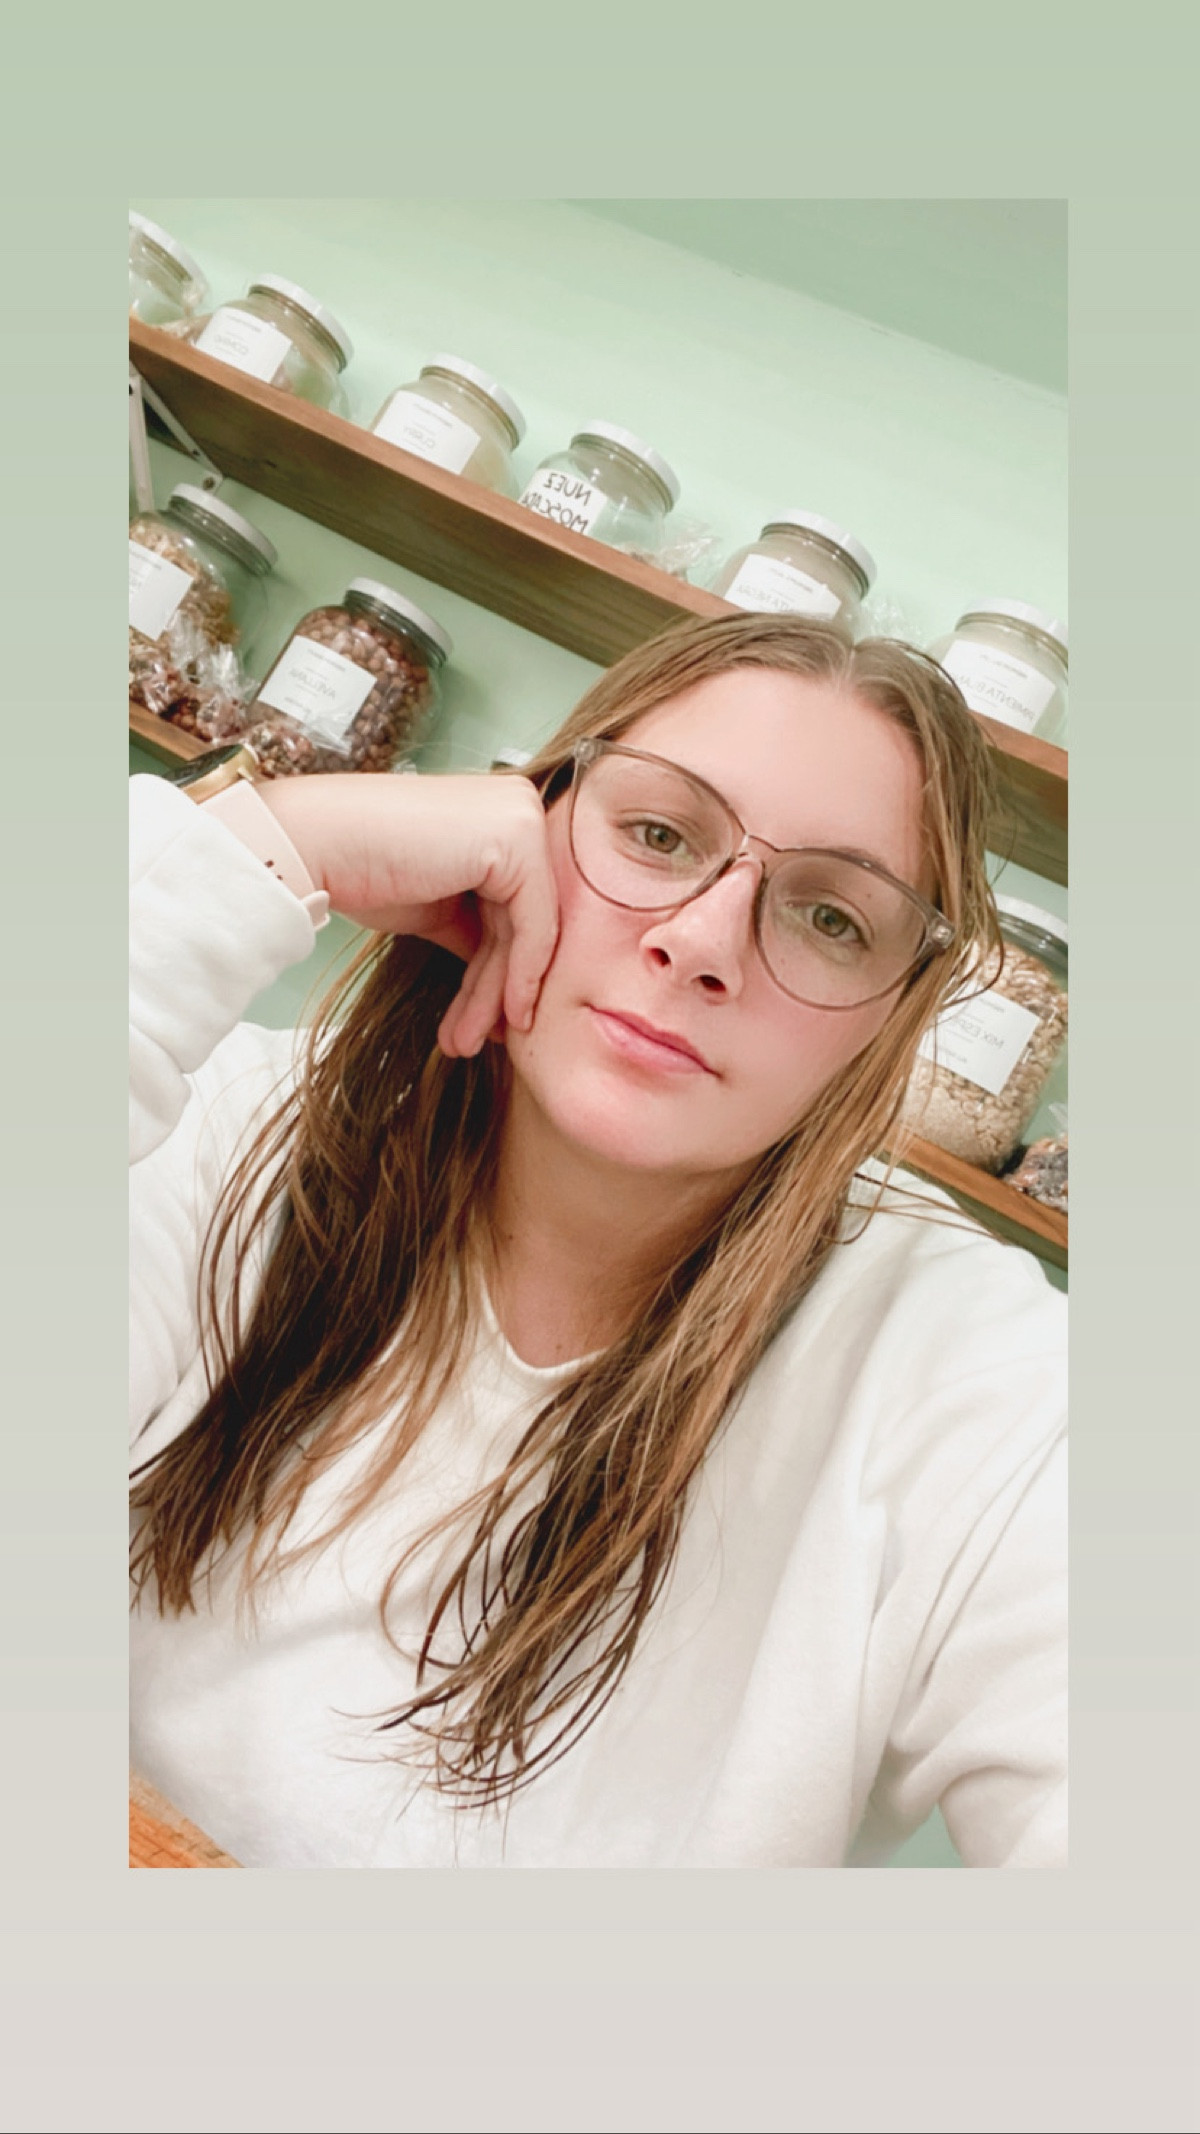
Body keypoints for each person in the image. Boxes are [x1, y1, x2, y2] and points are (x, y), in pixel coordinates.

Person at [129, 613, 1066, 1870]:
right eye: (659, 834)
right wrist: (265, 842)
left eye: (831, 918)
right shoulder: (238, 1126)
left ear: (891, 1022)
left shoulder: (977, 1377)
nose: (704, 942)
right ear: (529, 818)